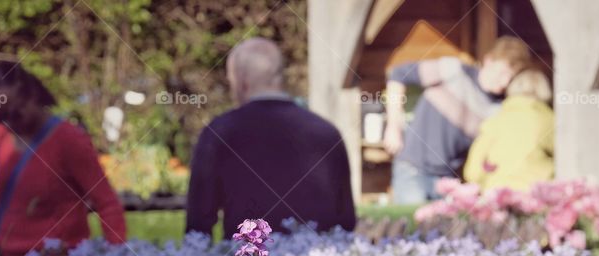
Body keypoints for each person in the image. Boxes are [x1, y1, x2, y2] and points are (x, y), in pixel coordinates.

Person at [186, 38, 355, 237]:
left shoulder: (219, 132)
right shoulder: (327, 133)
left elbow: (198, 225)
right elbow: (346, 221)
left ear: (241, 82)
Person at [0, 62, 126, 256]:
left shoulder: (68, 140)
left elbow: (106, 203)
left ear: (32, 97)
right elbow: (4, 201)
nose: (9, 123)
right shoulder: (3, 135)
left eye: (14, 113)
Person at [382, 36, 532, 204]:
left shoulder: (497, 109)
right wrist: (394, 125)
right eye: (503, 73)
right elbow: (399, 74)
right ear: (488, 61)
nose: (505, 82)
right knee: (410, 227)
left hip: (448, 183)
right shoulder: (453, 70)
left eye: (511, 77)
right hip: (412, 170)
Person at [463, 69, 554, 191]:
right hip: (536, 195)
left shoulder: (496, 120)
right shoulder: (550, 120)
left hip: (497, 194)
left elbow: (472, 172)